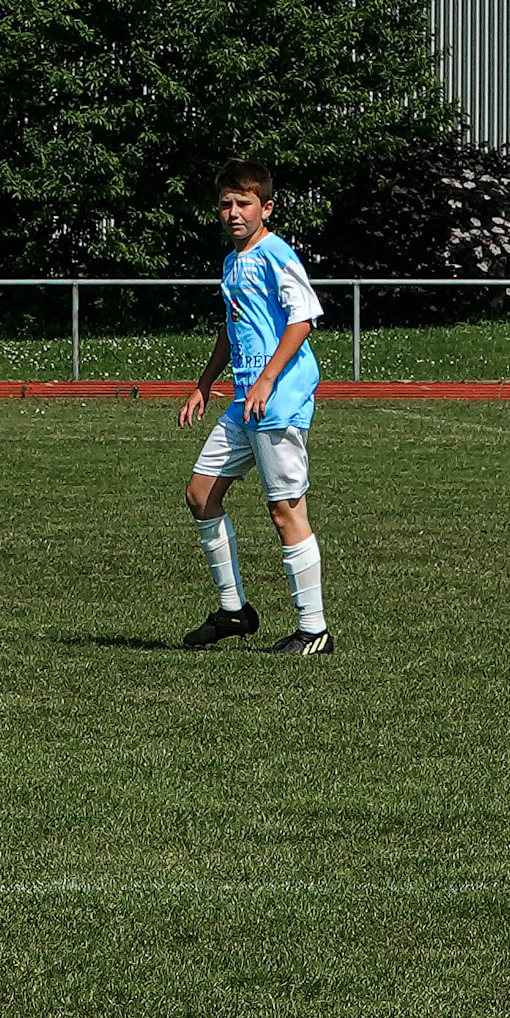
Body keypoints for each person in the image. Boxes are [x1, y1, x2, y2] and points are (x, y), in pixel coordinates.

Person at [178, 158, 332, 655]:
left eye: (243, 203)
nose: (233, 212)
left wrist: (267, 379)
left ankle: (314, 630)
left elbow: (303, 318)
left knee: (285, 510)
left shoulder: (276, 254)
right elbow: (232, 326)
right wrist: (204, 385)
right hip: (245, 400)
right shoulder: (232, 262)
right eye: (225, 203)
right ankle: (233, 610)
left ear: (266, 207)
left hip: (276, 400)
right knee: (201, 495)